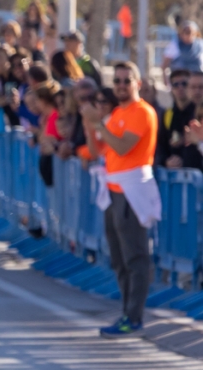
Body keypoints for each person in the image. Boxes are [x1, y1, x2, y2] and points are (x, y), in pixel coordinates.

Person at [81, 61, 160, 337]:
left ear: (138, 83)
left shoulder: (142, 112)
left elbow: (124, 147)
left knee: (135, 257)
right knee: (118, 257)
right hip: (113, 190)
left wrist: (98, 123)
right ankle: (127, 311)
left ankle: (134, 316)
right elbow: (98, 150)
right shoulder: (118, 113)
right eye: (118, 81)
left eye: (127, 80)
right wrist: (91, 125)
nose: (122, 85)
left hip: (132, 190)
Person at [155, 68, 201, 169]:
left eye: (184, 83)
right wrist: (166, 161)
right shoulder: (168, 114)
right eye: (175, 85)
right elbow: (160, 146)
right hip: (174, 176)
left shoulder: (199, 112)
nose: (180, 88)